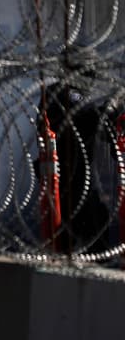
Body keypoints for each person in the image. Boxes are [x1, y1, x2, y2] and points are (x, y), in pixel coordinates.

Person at [45, 43, 118, 256]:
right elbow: (82, 118)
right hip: (68, 182)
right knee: (85, 234)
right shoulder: (62, 93)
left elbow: (96, 124)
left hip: (79, 180)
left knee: (96, 225)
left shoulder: (66, 93)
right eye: (89, 72)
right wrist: (108, 108)